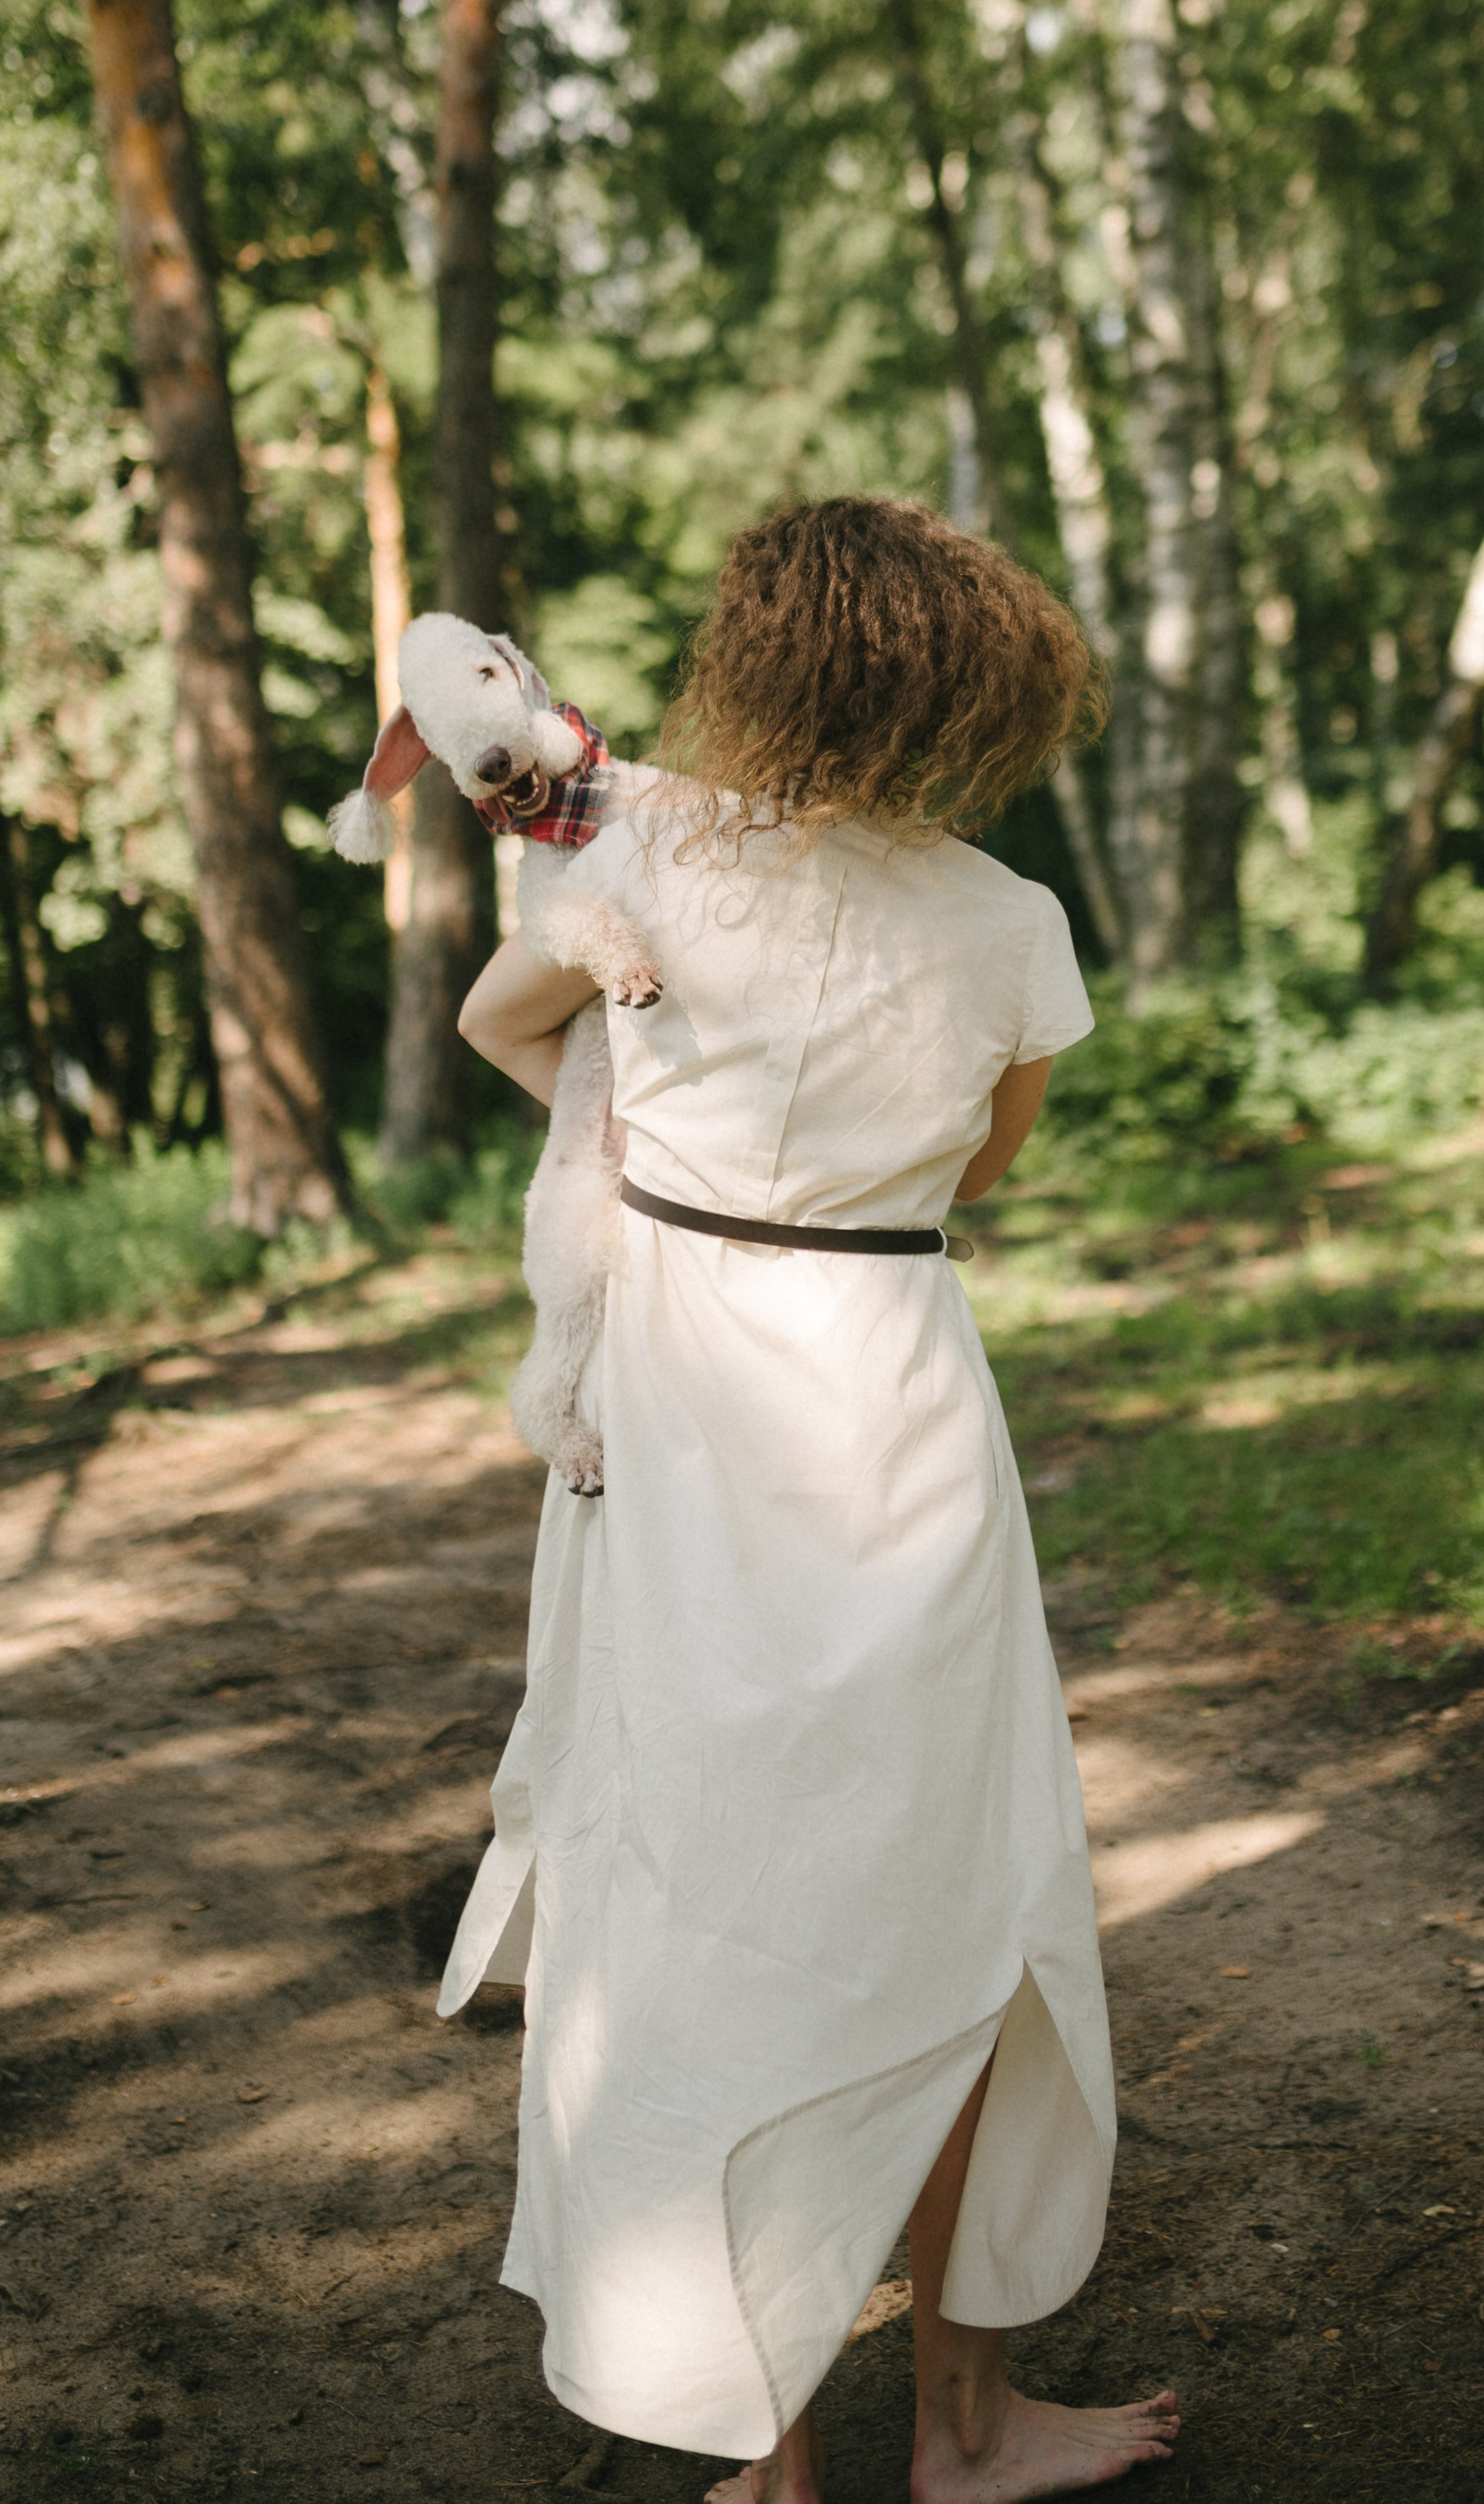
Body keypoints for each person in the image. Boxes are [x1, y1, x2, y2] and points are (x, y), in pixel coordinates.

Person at [440, 497, 1179, 2504]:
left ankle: (768, 2463)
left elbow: (502, 1020)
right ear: (969, 693)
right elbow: (981, 1171)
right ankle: (958, 2419)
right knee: (955, 1892)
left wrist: (659, 1136)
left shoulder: (642, 842)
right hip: (896, 1402)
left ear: (759, 655)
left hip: (688, 1403)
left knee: (708, 1894)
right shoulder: (1011, 919)